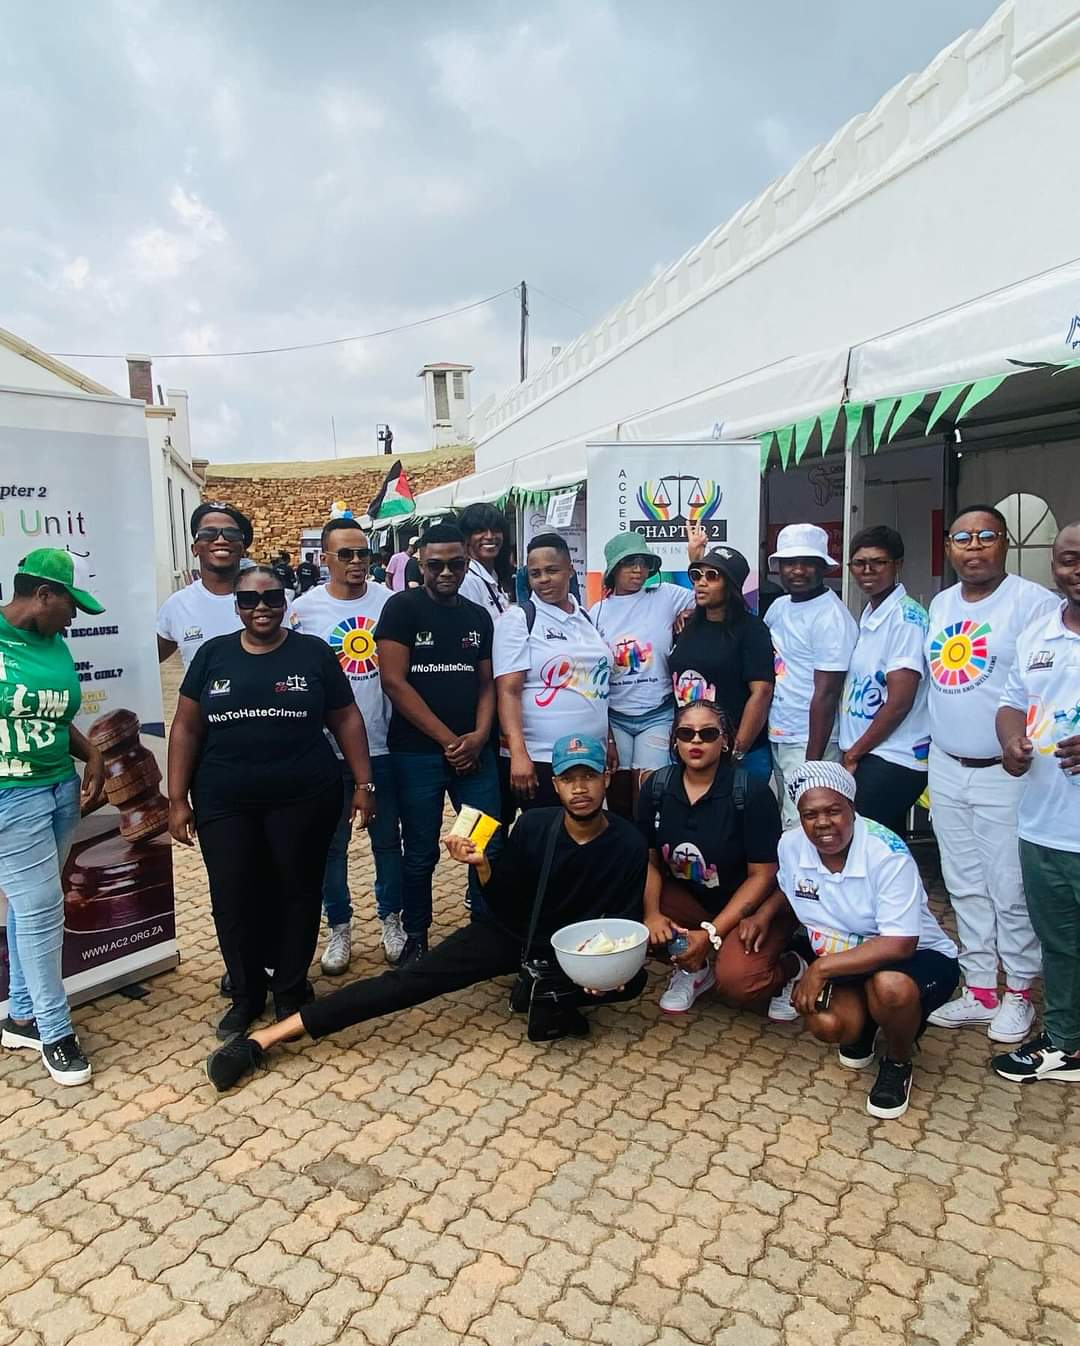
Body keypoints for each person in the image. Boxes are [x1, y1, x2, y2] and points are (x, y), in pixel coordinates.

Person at [205, 734, 649, 1091]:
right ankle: (264, 1039)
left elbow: (624, 926)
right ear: (555, 784)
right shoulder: (536, 825)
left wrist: (604, 975)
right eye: (569, 778)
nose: (580, 788)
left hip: (576, 949)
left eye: (589, 776)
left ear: (606, 778)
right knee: (405, 983)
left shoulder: (628, 843)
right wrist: (483, 866)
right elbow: (508, 899)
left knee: (633, 981)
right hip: (515, 932)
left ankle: (548, 995)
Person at [167, 566, 375, 1040]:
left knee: (297, 890)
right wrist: (177, 798)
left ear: (286, 601)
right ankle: (246, 994)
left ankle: (289, 988)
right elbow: (186, 727)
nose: (261, 607)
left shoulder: (313, 653)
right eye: (248, 600)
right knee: (234, 895)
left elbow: (346, 719)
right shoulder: (212, 655)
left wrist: (365, 783)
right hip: (225, 799)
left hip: (303, 795)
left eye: (271, 597)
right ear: (235, 606)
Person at [923, 504, 1059, 1044]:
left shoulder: (1034, 604)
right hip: (947, 763)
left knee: (1009, 886)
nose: (974, 547)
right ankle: (979, 989)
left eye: (985, 536)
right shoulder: (940, 602)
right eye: (962, 538)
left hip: (1008, 770)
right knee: (963, 882)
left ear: (1003, 542)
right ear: (949, 548)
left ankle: (1020, 992)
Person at [778, 762, 959, 1120]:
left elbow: (900, 944)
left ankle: (897, 1060)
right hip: (849, 958)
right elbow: (784, 891)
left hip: (916, 958)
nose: (823, 823)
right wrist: (758, 919)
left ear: (852, 807)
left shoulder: (885, 853)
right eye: (810, 814)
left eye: (834, 810)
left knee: (889, 988)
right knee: (828, 1026)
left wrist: (821, 968)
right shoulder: (790, 844)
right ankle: (867, 1023)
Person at [0, 550, 106, 1085]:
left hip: (59, 789)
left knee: (28, 905)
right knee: (42, 909)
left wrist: (90, 754)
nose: (73, 619)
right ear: (42, 595)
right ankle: (55, 1029)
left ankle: (21, 1013)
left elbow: (54, 715)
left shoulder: (53, 643)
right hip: (9, 797)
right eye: (70, 606)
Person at [374, 523, 500, 962]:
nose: (446, 573)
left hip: (474, 755)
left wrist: (481, 736)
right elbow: (394, 681)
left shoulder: (477, 616)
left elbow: (487, 684)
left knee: (484, 843)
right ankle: (417, 936)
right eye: (435, 565)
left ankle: (487, 933)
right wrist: (451, 742)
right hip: (418, 755)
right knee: (421, 851)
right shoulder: (401, 609)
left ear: (467, 560)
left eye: (455, 564)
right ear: (419, 564)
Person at [289, 518, 405, 971]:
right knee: (330, 847)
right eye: (346, 555)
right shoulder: (302, 611)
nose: (357, 563)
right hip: (324, 751)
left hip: (385, 746)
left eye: (364, 554)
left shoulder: (391, 604)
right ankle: (338, 927)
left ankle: (391, 920)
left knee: (387, 843)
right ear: (325, 559)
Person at [992, 522, 1080, 1083]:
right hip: (1045, 825)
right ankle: (1065, 1042)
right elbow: (1010, 703)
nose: (1079, 570)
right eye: (1070, 559)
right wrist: (1009, 742)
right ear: (1055, 566)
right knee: (1061, 944)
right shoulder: (1038, 634)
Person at [638, 701, 793, 1017]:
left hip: (752, 906)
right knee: (631, 906)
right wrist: (652, 914)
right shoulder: (656, 787)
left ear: (725, 741)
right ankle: (695, 966)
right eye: (686, 733)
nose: (696, 741)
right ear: (675, 740)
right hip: (694, 900)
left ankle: (793, 968)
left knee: (739, 981)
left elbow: (763, 876)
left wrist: (711, 934)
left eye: (708, 734)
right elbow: (649, 860)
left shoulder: (749, 792)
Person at [494, 533, 614, 813]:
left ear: (570, 569)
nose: (543, 579)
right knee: (546, 841)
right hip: (542, 757)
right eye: (535, 573)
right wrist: (519, 754)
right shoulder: (519, 619)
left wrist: (607, 739)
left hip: (589, 756)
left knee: (585, 842)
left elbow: (598, 688)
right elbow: (508, 691)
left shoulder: (585, 617)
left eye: (552, 570)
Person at [590, 530, 694, 812]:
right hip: (616, 716)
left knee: (654, 791)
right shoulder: (597, 612)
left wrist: (688, 614)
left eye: (643, 562)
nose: (638, 569)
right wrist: (607, 732)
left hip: (657, 712)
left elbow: (711, 600)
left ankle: (652, 853)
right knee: (619, 792)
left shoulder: (666, 595)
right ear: (614, 569)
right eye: (629, 562)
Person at [838, 526, 931, 835]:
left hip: (893, 756)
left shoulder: (905, 618)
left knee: (864, 841)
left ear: (898, 564)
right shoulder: (870, 612)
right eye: (859, 563)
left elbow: (900, 702)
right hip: (871, 753)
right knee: (883, 847)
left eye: (878, 562)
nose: (868, 571)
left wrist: (855, 753)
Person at [764, 523, 858, 827]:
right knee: (784, 820)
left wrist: (813, 762)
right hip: (779, 734)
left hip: (811, 741)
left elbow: (828, 692)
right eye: (789, 563)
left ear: (822, 567)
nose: (797, 570)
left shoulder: (831, 616)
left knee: (803, 825)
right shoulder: (779, 607)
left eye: (807, 563)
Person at [671, 533, 775, 782]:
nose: (701, 583)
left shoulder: (751, 630)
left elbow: (761, 693)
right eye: (696, 576)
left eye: (712, 576)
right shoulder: (687, 624)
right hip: (691, 750)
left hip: (739, 757)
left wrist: (736, 751)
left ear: (731, 585)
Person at [156, 502, 252, 668]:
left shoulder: (271, 601)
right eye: (208, 533)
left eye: (231, 533)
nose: (221, 540)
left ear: (242, 548)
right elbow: (145, 660)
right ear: (194, 548)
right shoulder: (177, 606)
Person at [457, 503, 513, 623]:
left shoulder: (494, 576)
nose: (490, 536)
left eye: (496, 530)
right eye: (480, 531)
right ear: (466, 538)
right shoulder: (467, 580)